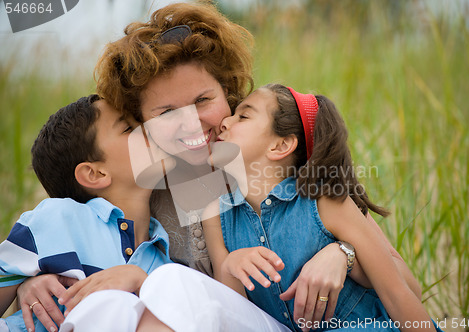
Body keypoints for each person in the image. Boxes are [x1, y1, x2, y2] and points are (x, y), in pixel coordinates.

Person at [15, 2, 421, 331]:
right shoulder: (142, 188)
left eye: (204, 100)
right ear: (143, 123)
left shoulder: (273, 165)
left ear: (228, 95)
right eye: (167, 111)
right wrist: (31, 281)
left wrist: (341, 252)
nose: (192, 123)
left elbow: (409, 289)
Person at [202, 84, 440, 331]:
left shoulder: (324, 201)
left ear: (281, 146)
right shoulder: (215, 214)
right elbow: (235, 316)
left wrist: (344, 254)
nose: (224, 122)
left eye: (243, 116)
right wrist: (230, 264)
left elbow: (398, 294)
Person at [0, 96, 174, 331]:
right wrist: (24, 283)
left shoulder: (164, 257)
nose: (149, 129)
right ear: (96, 174)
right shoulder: (58, 218)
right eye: (129, 128)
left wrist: (142, 283)